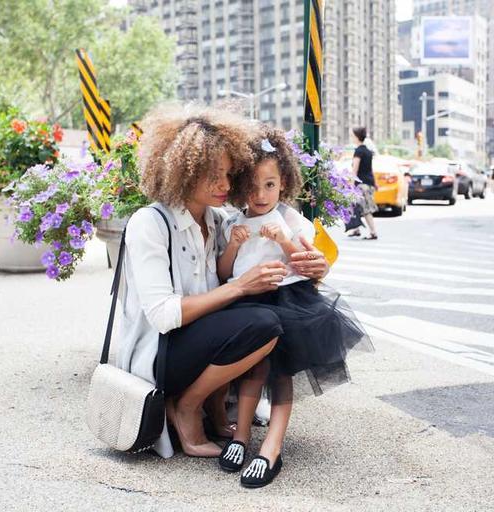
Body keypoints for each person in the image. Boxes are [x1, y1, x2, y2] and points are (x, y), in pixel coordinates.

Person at [115, 105, 329, 460]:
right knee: (262, 322)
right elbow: (164, 316)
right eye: (214, 175)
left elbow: (268, 248)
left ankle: (215, 410)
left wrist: (317, 266)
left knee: (267, 321)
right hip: (159, 353)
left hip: (200, 345)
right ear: (184, 172)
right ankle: (186, 406)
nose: (226, 186)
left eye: (230, 175)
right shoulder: (148, 223)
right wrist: (241, 286)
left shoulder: (219, 222)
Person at [216, 125, 373, 488]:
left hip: (288, 302)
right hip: (247, 301)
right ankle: (241, 437)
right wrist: (234, 247)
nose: (260, 194)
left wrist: (285, 241)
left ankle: (272, 446)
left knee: (280, 372)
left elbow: (308, 261)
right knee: (251, 370)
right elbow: (225, 272)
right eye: (252, 186)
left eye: (269, 185)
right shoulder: (235, 222)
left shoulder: (291, 220)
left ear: (283, 184)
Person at [348, 127, 379, 240]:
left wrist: (351, 185)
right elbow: (370, 169)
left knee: (365, 209)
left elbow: (354, 170)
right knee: (356, 206)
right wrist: (375, 183)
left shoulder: (359, 151)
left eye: (352, 136)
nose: (351, 138)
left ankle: (373, 232)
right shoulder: (368, 151)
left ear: (356, 137)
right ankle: (356, 229)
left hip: (361, 184)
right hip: (369, 183)